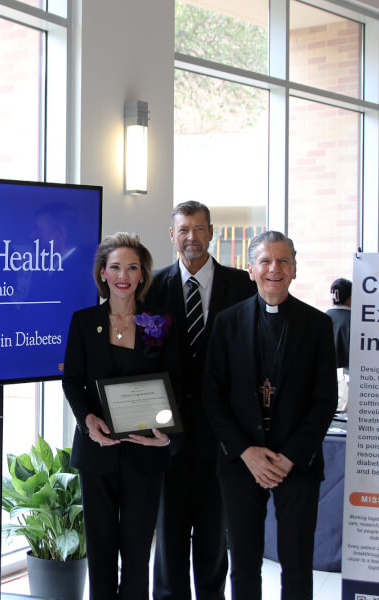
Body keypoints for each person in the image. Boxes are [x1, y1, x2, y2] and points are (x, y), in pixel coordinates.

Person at [203, 231, 337, 600]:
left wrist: (290, 456)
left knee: (297, 564)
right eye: (265, 261)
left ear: (294, 269)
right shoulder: (227, 322)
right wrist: (247, 452)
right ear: (251, 269)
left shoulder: (317, 325)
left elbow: (325, 400)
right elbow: (212, 396)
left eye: (283, 261)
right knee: (244, 564)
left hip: (297, 463)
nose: (273, 269)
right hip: (240, 462)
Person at [145, 201, 254, 600]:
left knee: (213, 543)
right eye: (183, 230)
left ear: (212, 233)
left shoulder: (243, 286)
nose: (192, 237)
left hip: (222, 439)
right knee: (169, 541)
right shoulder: (151, 287)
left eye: (199, 229)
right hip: (166, 438)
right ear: (172, 235)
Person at [62, 232, 174, 600]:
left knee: (138, 551)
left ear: (142, 274)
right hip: (98, 450)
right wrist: (86, 420)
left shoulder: (159, 322)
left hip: (145, 453)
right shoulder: (83, 321)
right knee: (101, 550)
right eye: (115, 267)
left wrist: (166, 431)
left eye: (132, 267)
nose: (123, 274)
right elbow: (73, 380)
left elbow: (175, 382)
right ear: (103, 274)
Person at [326, 278, 351, 371]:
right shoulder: (354, 320)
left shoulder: (322, 317)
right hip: (349, 374)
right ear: (350, 297)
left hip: (326, 372)